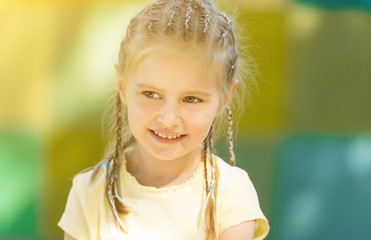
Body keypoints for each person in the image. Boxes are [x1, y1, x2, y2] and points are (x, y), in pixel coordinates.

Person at [58, 0, 269, 239]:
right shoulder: (89, 191)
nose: (168, 119)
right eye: (151, 94)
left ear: (224, 97)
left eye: (191, 99)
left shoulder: (230, 194)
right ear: (122, 85)